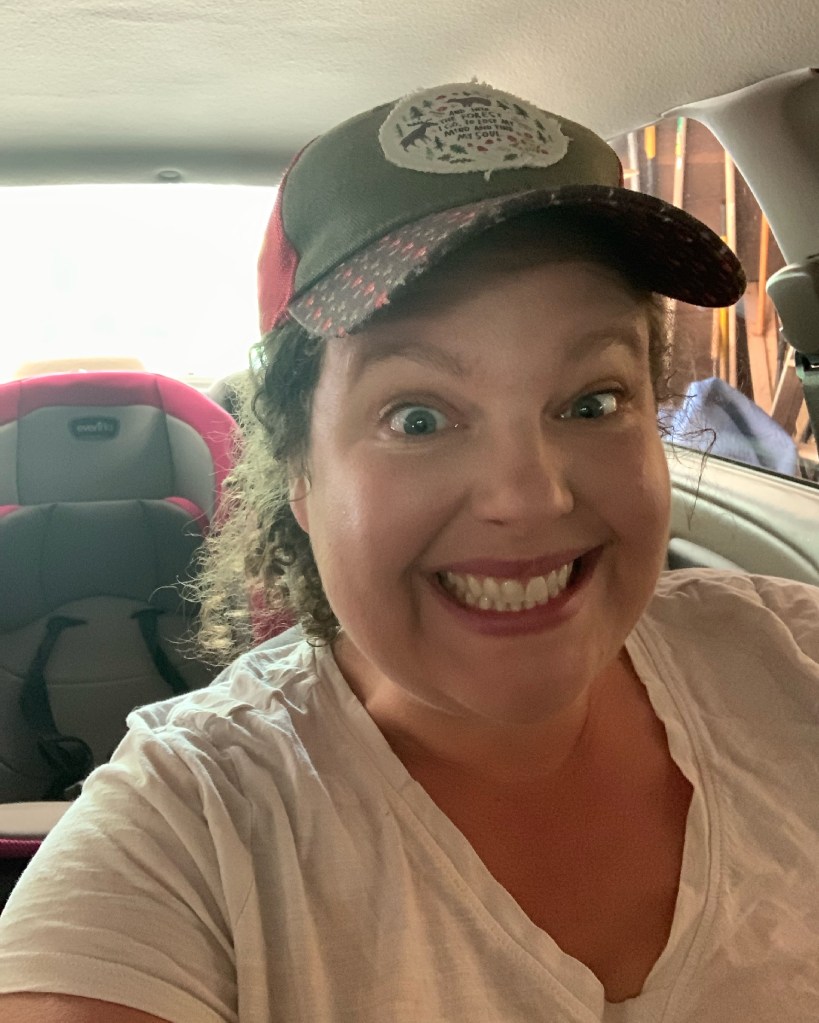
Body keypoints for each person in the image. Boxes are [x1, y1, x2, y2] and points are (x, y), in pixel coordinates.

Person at [0, 81, 817, 1023]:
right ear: (298, 472)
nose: (529, 497)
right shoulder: (189, 828)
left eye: (592, 401)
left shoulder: (794, 658)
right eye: (417, 416)